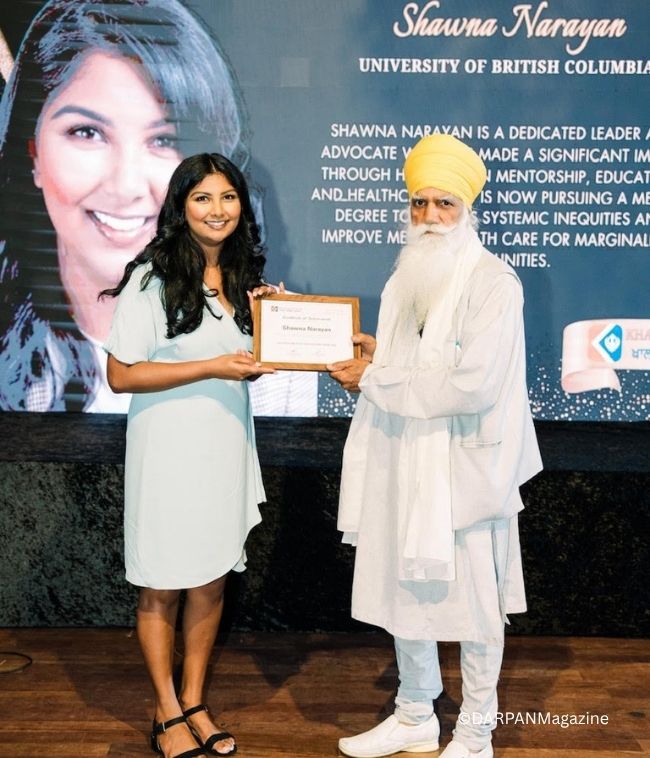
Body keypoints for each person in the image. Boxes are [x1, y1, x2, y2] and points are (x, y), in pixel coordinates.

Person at [328, 134, 542, 758]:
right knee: (408, 591)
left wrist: (375, 378)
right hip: (406, 456)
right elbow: (415, 359)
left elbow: (473, 384)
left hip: (467, 469)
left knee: (476, 606)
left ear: (466, 209)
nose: (428, 217)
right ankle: (415, 714)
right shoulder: (407, 276)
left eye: (443, 203)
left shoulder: (494, 282)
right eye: (418, 203)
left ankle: (475, 732)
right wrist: (376, 355)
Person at [0, 0, 317, 415]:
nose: (126, 186)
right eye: (87, 132)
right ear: (33, 154)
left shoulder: (273, 335)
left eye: (164, 140)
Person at [103, 152, 275, 758]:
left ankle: (195, 701)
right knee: (162, 584)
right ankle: (166, 711)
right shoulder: (150, 279)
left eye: (228, 197)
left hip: (224, 449)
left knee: (210, 579)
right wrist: (211, 365)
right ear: (181, 207)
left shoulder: (242, 277)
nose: (217, 210)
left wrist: (275, 323)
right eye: (202, 198)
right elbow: (120, 375)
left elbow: (245, 365)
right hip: (167, 454)